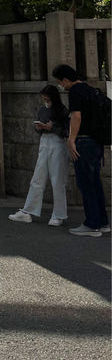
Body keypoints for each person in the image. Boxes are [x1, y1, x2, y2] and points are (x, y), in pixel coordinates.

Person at [52, 64, 110, 237]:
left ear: (65, 80)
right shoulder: (91, 90)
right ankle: (102, 221)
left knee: (86, 183)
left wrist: (71, 140)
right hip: (96, 141)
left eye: (60, 82)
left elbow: (76, 116)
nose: (60, 86)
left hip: (83, 141)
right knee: (95, 182)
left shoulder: (75, 91)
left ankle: (92, 224)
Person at [8, 85, 70, 227]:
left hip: (58, 143)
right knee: (37, 178)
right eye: (44, 99)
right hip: (45, 141)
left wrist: (52, 128)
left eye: (48, 99)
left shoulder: (62, 111)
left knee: (58, 180)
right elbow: (40, 128)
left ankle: (59, 215)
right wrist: (39, 128)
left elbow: (66, 131)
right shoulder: (42, 109)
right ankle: (28, 211)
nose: (46, 101)